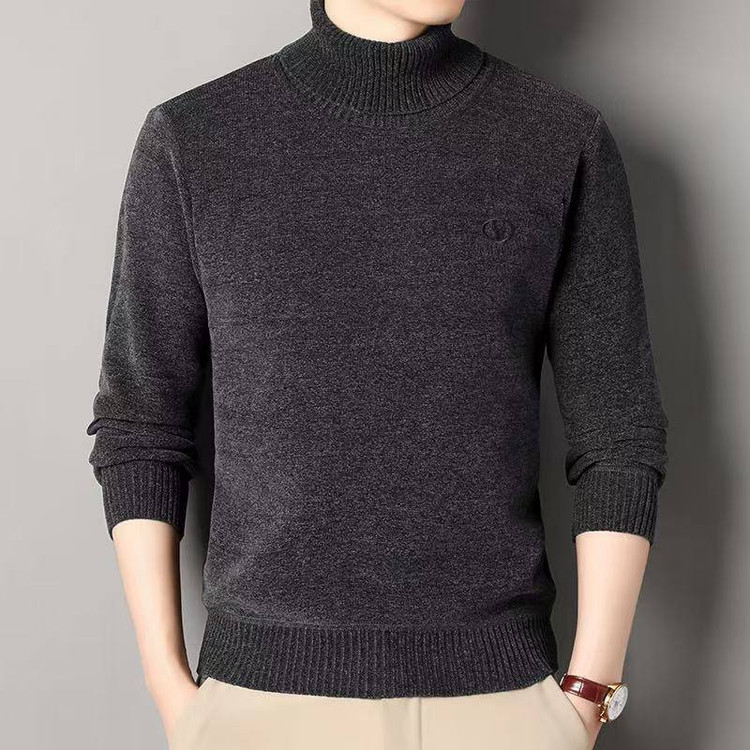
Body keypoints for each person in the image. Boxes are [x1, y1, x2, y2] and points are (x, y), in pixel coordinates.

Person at [85, 1, 668, 748]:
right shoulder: (196, 138)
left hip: (504, 704)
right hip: (261, 706)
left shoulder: (557, 138)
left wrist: (586, 695)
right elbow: (140, 426)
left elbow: (618, 433)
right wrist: (172, 691)